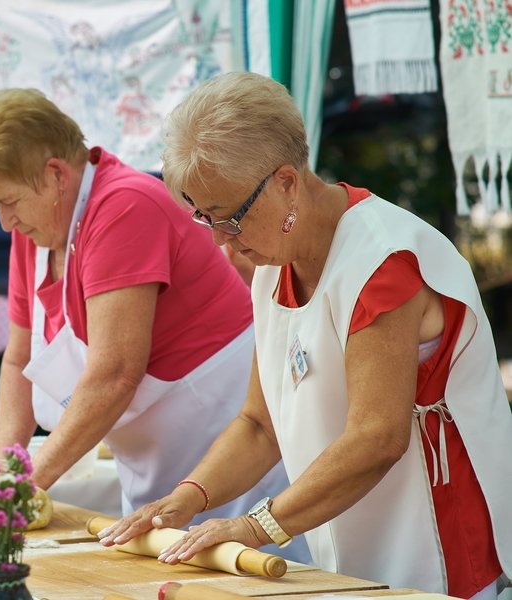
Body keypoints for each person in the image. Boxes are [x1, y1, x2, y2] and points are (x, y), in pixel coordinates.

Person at [97, 71, 512, 598]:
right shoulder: (271, 260)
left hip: (442, 553)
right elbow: (259, 425)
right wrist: (188, 497)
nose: (224, 245)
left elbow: (376, 438)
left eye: (229, 218)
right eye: (203, 220)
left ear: (287, 182)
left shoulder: (383, 262)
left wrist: (253, 527)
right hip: (353, 549)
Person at [0, 87, 310, 563]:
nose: (5, 222)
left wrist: (23, 483)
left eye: (8, 202)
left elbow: (115, 375)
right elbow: (18, 358)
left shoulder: (124, 205)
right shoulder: (35, 233)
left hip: (234, 456)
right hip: (157, 471)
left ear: (55, 175)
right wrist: (4, 465)